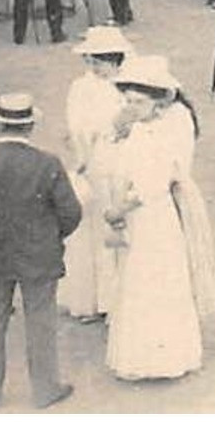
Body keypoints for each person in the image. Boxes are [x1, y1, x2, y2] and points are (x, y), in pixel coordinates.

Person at [0, 92, 81, 408]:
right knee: (41, 321)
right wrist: (50, 236)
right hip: (39, 255)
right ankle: (45, 389)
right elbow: (71, 212)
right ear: (30, 125)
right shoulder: (48, 163)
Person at [103, 57, 215, 382]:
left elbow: (154, 183)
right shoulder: (142, 128)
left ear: (158, 102)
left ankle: (162, 357)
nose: (130, 106)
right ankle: (146, 353)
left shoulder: (169, 126)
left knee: (154, 278)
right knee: (138, 278)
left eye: (138, 101)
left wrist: (119, 208)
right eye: (127, 99)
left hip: (154, 213)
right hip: (142, 213)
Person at [59, 26, 131, 322]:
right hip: (95, 163)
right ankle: (93, 299)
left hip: (124, 162)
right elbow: (76, 128)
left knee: (121, 225)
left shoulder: (128, 84)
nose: (94, 67)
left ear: (116, 60)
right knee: (94, 229)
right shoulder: (82, 88)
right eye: (90, 61)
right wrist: (85, 151)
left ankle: (119, 299)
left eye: (100, 61)